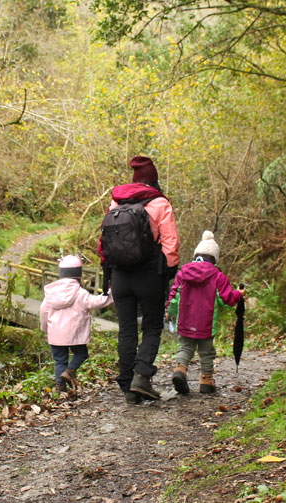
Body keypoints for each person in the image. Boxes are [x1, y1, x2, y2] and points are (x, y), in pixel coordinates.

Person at [100, 156, 179, 403]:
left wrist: (109, 272)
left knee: (126, 330)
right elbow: (170, 243)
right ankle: (141, 376)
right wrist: (169, 271)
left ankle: (126, 384)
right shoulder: (159, 203)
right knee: (152, 327)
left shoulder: (116, 202)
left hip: (120, 275)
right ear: (154, 179)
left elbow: (103, 241)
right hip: (149, 274)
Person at [166, 231, 245, 394]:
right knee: (206, 352)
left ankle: (180, 370)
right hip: (206, 324)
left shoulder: (183, 273)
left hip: (185, 321)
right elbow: (227, 299)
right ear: (214, 258)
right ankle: (206, 381)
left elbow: (174, 296)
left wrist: (170, 312)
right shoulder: (218, 276)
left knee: (185, 348)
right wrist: (239, 294)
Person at [40, 255, 114, 394]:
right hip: (75, 334)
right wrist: (111, 292)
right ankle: (70, 370)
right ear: (78, 274)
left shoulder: (51, 292)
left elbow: (43, 311)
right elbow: (97, 302)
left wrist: (45, 328)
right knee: (81, 353)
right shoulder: (80, 293)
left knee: (60, 361)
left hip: (56, 333)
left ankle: (60, 388)